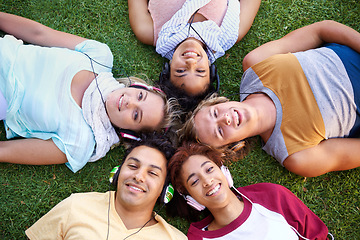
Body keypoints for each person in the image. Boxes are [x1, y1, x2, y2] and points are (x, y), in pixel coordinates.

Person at [0, 12, 178, 173]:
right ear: (138, 88)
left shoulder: (80, 142)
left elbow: (6, 151)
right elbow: (39, 33)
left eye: (136, 115)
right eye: (140, 96)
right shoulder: (99, 56)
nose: (130, 102)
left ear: (128, 132)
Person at [181, 20, 360, 177]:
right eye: (219, 131)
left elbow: (321, 31)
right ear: (233, 146)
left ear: (220, 102)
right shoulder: (295, 155)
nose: (225, 119)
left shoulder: (256, 63)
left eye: (214, 113)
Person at [25, 133, 187, 240]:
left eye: (152, 173)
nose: (138, 176)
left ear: (165, 191)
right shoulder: (76, 206)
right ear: (116, 173)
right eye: (132, 166)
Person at [168, 142, 331, 239]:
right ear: (190, 198)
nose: (207, 181)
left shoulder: (271, 195)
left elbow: (317, 236)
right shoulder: (198, 238)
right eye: (194, 181)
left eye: (209, 169)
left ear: (224, 172)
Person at [128, 0, 261, 111]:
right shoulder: (230, 33)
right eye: (200, 71)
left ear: (167, 69)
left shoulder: (148, 31)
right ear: (211, 70)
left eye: (180, 71)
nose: (191, 63)